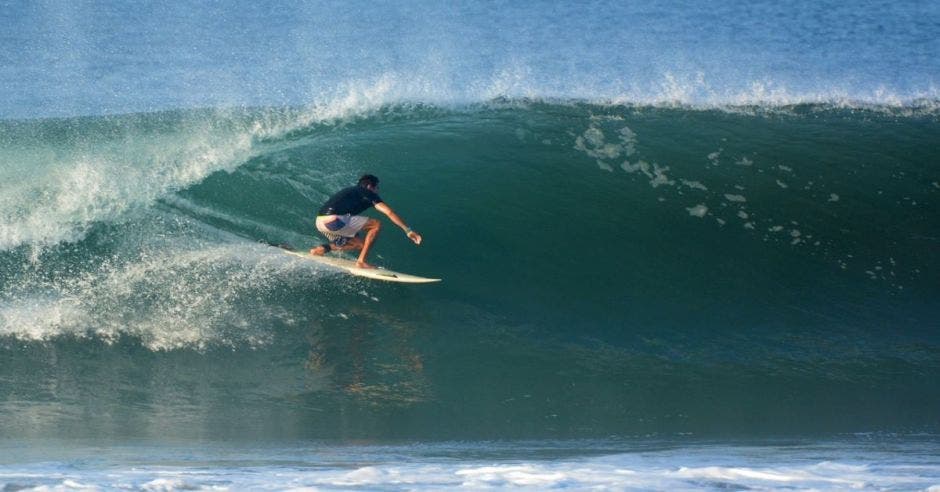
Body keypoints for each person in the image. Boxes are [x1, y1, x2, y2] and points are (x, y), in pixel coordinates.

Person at [310, 174, 422, 269]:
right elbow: (389, 212)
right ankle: (361, 261)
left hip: (320, 222)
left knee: (359, 244)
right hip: (335, 220)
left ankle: (321, 249)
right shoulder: (368, 193)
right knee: (376, 224)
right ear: (369, 186)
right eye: (376, 187)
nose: (377, 191)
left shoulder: (350, 190)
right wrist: (408, 230)